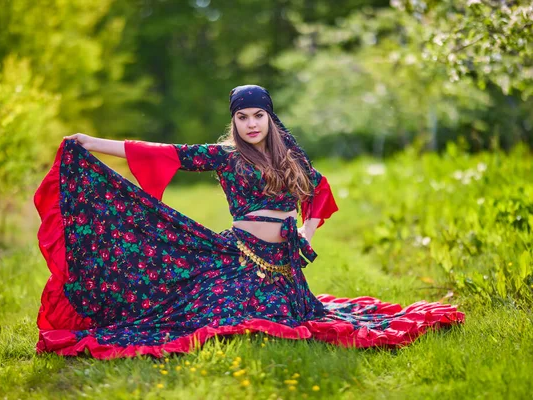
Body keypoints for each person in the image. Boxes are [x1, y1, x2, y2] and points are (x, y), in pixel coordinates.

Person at [34, 84, 464, 359]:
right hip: (239, 258)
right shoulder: (225, 156)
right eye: (242, 117)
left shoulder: (290, 156)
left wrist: (304, 234)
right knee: (218, 312)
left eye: (258, 115)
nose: (251, 123)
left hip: (283, 268)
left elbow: (319, 191)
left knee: (288, 317)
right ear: (234, 122)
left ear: (269, 118)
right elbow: (161, 152)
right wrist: (92, 143)